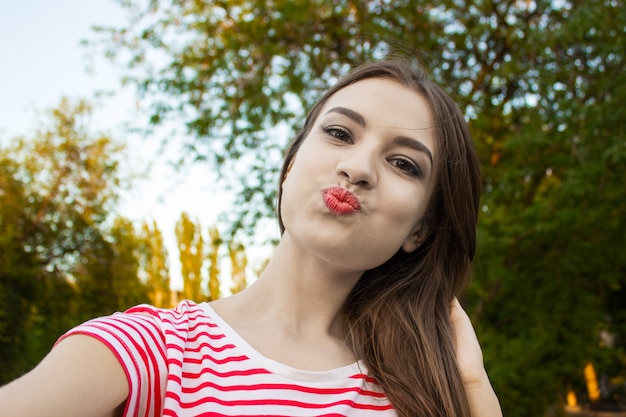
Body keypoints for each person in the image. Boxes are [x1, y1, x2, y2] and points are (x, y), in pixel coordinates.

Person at [0, 59, 502, 417]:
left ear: (419, 229)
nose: (357, 167)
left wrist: (473, 388)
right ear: (290, 167)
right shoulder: (154, 351)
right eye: (340, 134)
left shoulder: (426, 393)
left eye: (403, 163)